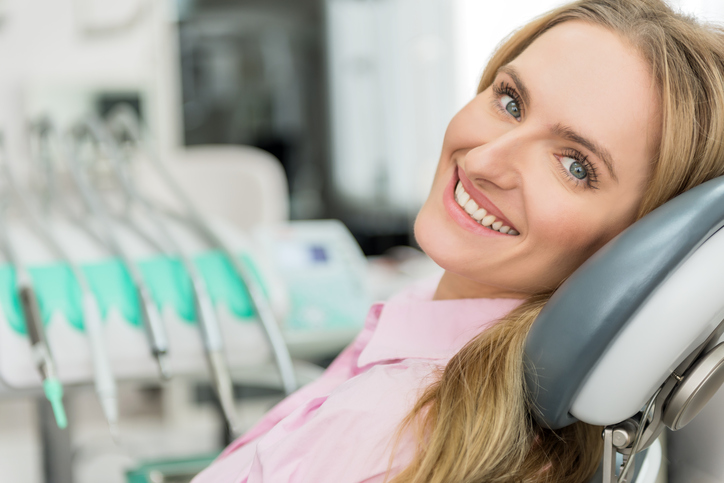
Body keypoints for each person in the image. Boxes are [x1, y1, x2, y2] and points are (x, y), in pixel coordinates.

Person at [192, 0, 724, 481]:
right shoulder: (418, 348)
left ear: (639, 249)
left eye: (574, 166)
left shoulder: (392, 432)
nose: (485, 160)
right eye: (511, 101)